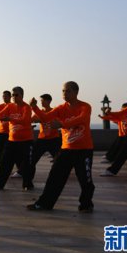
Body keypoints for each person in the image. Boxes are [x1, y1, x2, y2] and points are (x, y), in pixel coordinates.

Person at [27, 81, 95, 213]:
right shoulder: (60, 108)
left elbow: (81, 119)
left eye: (68, 91)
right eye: (63, 91)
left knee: (85, 179)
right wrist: (34, 107)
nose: (64, 93)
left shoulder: (85, 106)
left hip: (84, 150)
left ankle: (86, 204)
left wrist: (62, 124)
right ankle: (44, 204)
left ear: (75, 92)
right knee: (54, 177)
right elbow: (46, 118)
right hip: (66, 150)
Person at [0, 87, 34, 191]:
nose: (14, 97)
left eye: (16, 95)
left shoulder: (26, 107)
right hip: (12, 141)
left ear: (22, 95)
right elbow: (1, 116)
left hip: (25, 141)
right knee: (5, 163)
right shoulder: (10, 106)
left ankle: (27, 184)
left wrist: (10, 118)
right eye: (13, 95)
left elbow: (25, 120)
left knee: (26, 164)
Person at [26, 93, 61, 188]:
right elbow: (31, 119)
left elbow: (55, 121)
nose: (41, 102)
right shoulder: (39, 112)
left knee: (59, 162)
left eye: (42, 100)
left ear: (48, 101)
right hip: (42, 140)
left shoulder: (55, 111)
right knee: (32, 161)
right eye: (40, 101)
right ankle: (28, 183)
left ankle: (56, 183)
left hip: (54, 140)